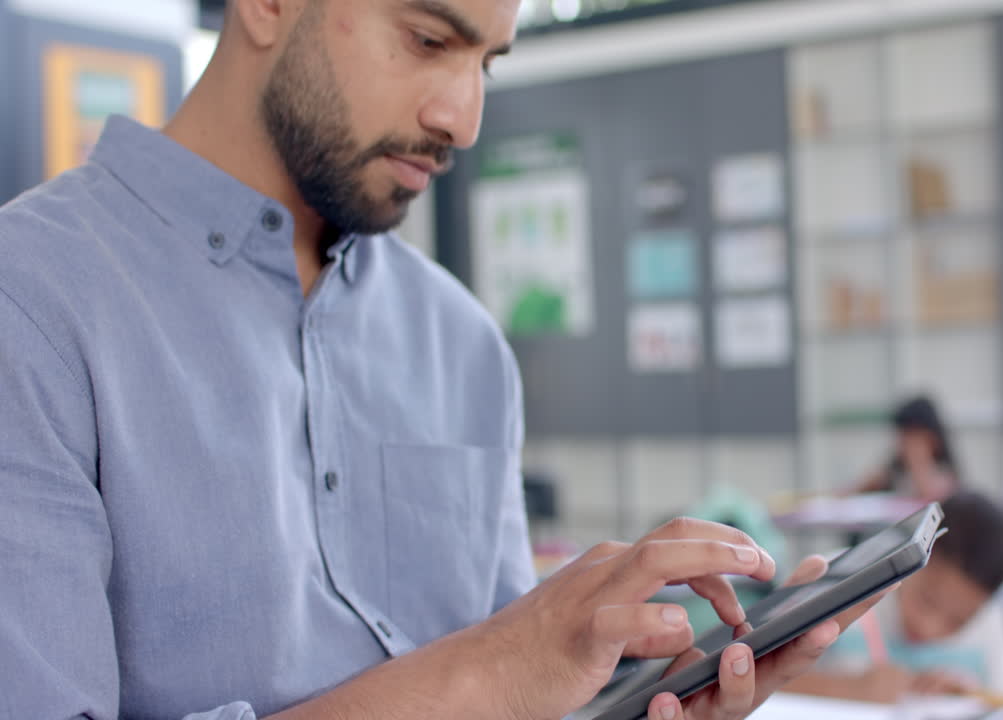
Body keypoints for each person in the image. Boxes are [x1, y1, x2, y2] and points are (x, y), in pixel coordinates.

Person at [0, 1, 881, 719]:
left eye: (487, 61)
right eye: (427, 39)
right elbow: (493, 677)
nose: (460, 117)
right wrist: (495, 668)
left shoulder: (462, 342)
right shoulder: (31, 301)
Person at [784, 492, 1003, 705]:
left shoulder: (991, 616)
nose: (929, 628)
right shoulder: (839, 581)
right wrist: (846, 689)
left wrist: (974, 699)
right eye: (927, 600)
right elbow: (760, 679)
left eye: (957, 622)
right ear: (910, 553)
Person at [845, 395, 961, 503]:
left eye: (913, 436)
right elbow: (852, 491)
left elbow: (931, 497)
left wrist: (918, 460)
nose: (905, 443)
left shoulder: (946, 476)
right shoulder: (893, 471)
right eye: (903, 435)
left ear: (932, 438)